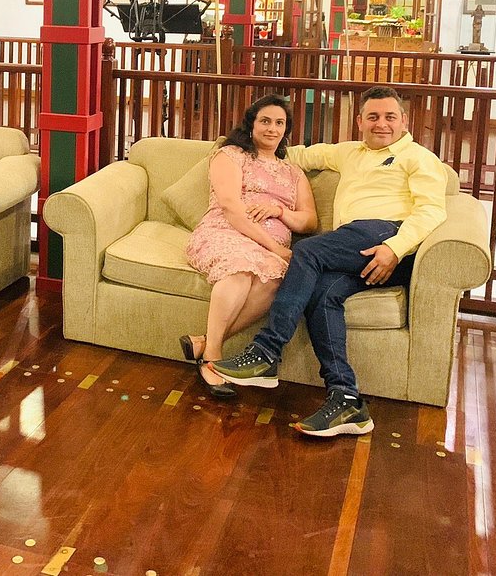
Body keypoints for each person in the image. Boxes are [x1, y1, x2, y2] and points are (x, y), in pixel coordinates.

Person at [212, 86, 448, 437]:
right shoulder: (348, 152)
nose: (381, 124)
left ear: (404, 120)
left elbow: (432, 211)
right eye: (373, 117)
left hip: (390, 238)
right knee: (322, 297)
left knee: (307, 251)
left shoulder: (419, 158)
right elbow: (297, 155)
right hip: (355, 250)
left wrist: (395, 248)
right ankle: (346, 399)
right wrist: (235, 149)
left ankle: (267, 351)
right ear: (360, 121)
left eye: (389, 117)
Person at [180, 95, 318, 401]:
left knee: (277, 278)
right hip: (225, 232)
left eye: (279, 123)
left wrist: (280, 211)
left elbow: (309, 221)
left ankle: (204, 341)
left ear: (286, 130)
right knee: (242, 270)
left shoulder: (294, 173)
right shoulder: (230, 155)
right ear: (251, 124)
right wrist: (273, 247)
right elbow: (231, 207)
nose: (272, 129)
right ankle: (212, 357)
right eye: (265, 121)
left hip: (269, 250)